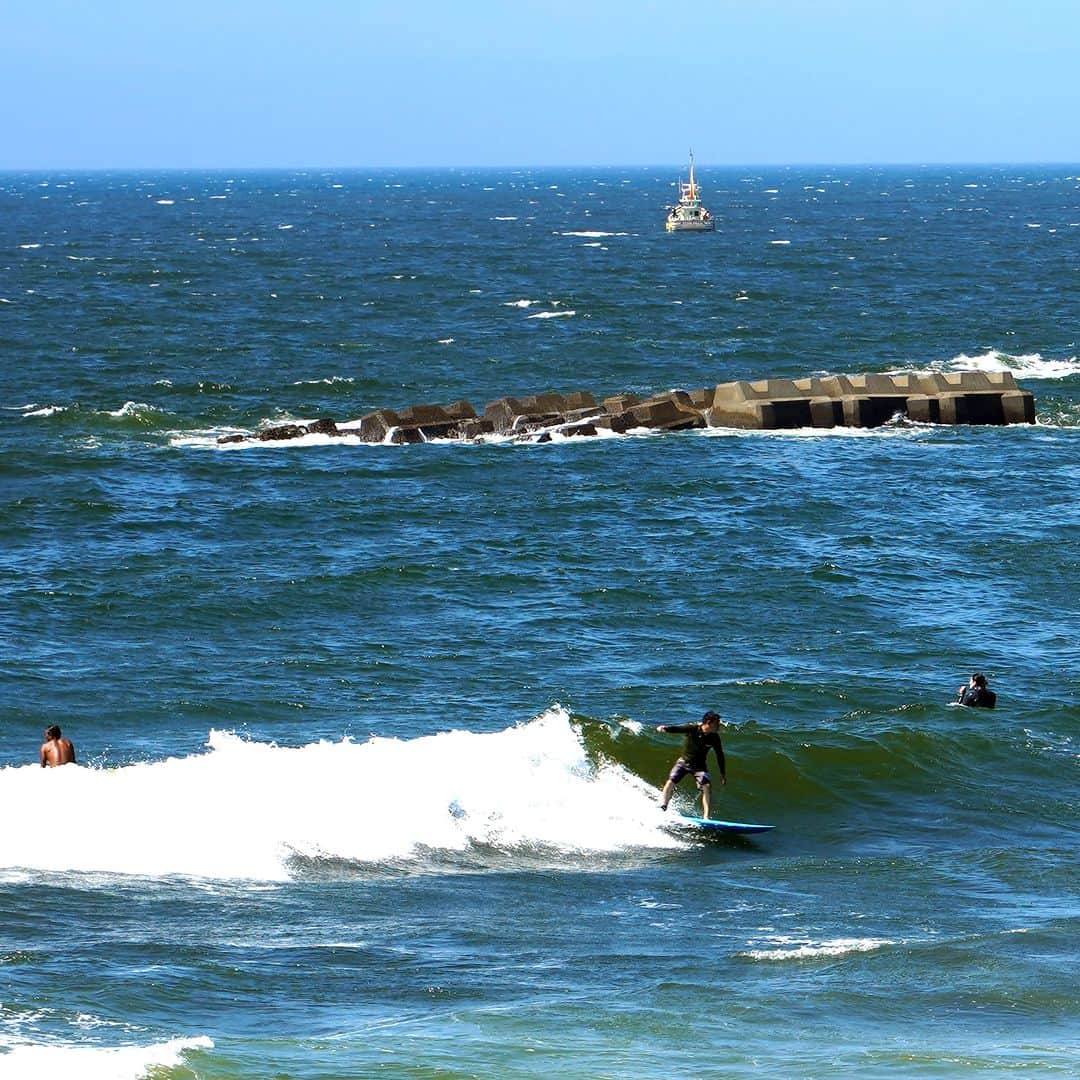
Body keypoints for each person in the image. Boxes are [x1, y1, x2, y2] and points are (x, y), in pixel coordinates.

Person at [656, 710, 726, 818]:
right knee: (670, 782)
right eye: (716, 723)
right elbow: (678, 729)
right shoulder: (693, 729)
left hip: (699, 767)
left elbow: (720, 755)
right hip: (683, 762)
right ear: (708, 722)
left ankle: (706, 817)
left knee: (706, 786)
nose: (718, 725)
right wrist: (665, 728)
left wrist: (722, 773)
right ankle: (663, 806)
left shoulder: (714, 738)